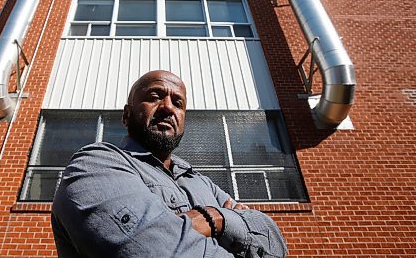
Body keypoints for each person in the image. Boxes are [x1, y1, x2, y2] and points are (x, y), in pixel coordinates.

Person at [52, 70, 287, 257]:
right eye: (154, 97)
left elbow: (275, 245)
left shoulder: (201, 182)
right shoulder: (95, 164)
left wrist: (216, 218)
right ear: (126, 115)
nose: (167, 107)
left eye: (178, 103)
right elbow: (154, 250)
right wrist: (235, 225)